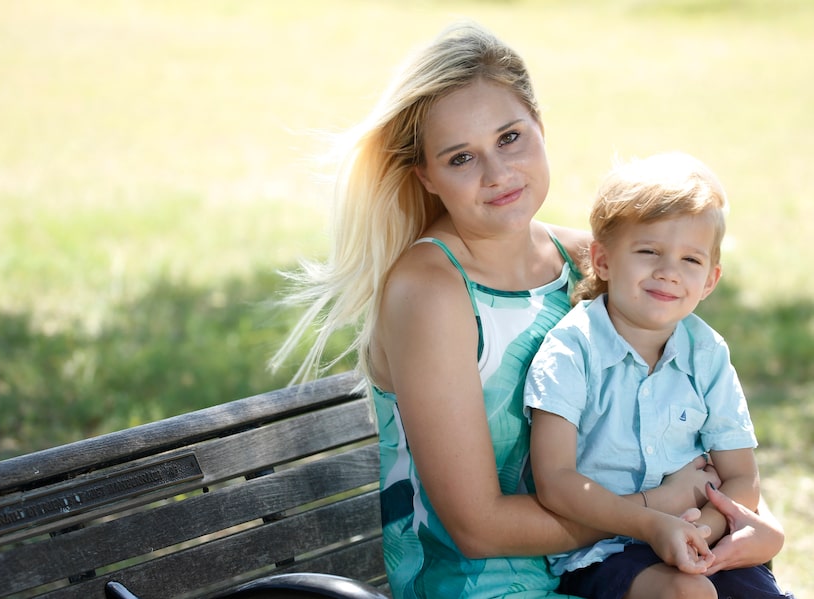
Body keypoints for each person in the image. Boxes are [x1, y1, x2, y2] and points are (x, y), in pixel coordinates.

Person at [272, 21, 785, 598]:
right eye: (461, 157)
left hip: (620, 560)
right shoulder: (432, 290)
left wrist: (714, 521)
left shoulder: (585, 262)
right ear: (427, 176)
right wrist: (659, 507)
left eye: (510, 137)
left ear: (540, 126)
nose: (498, 175)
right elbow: (475, 529)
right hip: (486, 586)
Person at [525, 152, 794, 598]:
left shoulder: (706, 353)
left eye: (691, 260)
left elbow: (742, 477)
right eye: (649, 251)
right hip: (606, 549)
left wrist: (700, 531)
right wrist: (653, 524)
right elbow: (555, 482)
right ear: (604, 261)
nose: (669, 272)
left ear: (710, 280)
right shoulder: (571, 350)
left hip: (704, 538)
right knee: (687, 594)